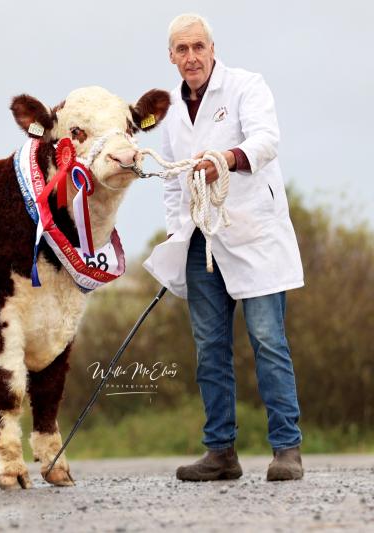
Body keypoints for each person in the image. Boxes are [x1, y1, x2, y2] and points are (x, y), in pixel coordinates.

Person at [143, 13, 305, 481]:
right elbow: (173, 181)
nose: (191, 57)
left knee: (268, 341)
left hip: (254, 234)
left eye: (198, 47)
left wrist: (226, 159)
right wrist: (179, 231)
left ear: (212, 49)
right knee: (209, 348)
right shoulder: (170, 109)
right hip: (201, 240)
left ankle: (286, 449)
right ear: (171, 57)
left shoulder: (247, 86)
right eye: (181, 49)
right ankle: (221, 452)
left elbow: (266, 142)